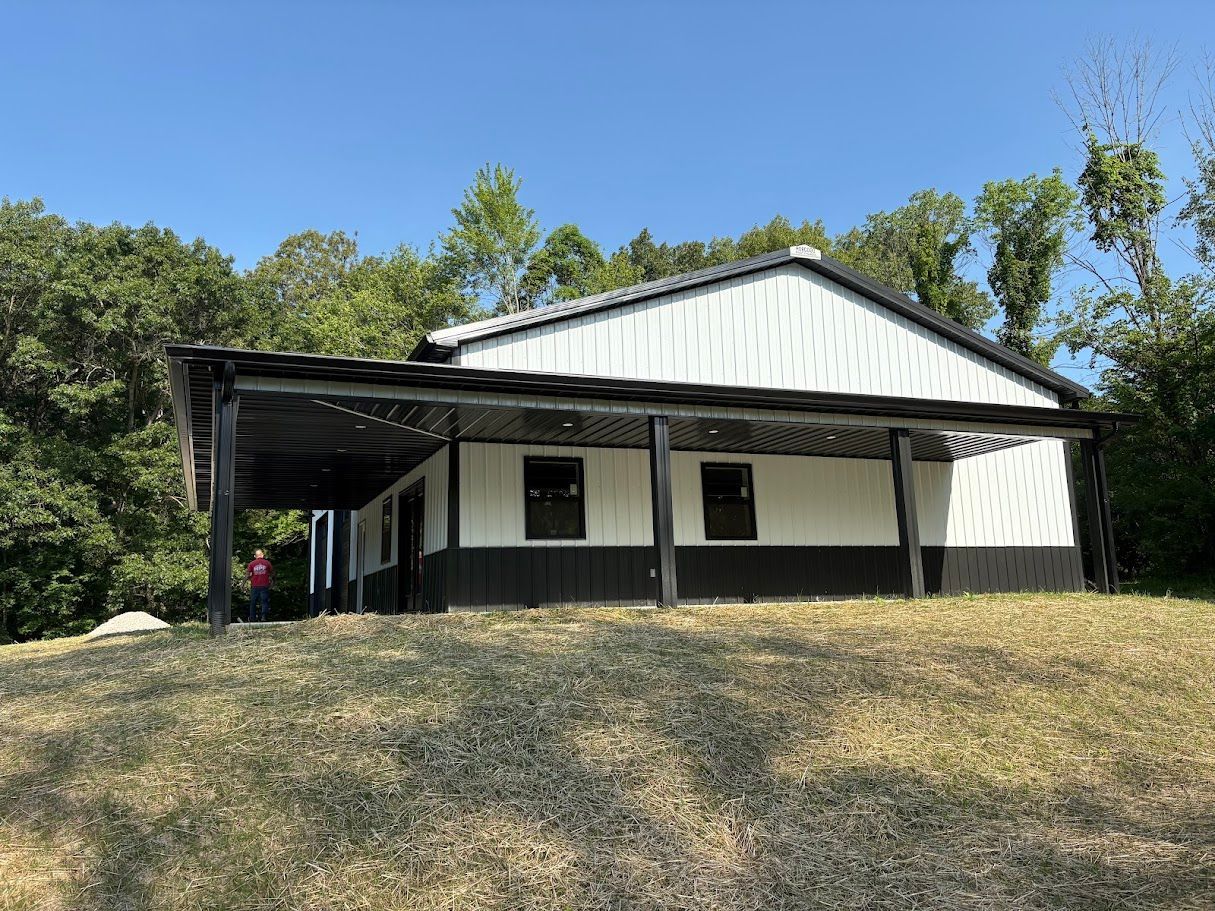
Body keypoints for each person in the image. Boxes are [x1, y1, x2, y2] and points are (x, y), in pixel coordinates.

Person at [246, 549, 274, 621]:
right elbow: (272, 574)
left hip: (255, 585)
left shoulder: (251, 564)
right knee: (264, 601)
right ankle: (263, 617)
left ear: (255, 556)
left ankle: (252, 618)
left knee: (253, 602)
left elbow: (247, 575)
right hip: (264, 585)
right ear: (262, 555)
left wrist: (243, 583)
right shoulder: (267, 563)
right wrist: (272, 582)